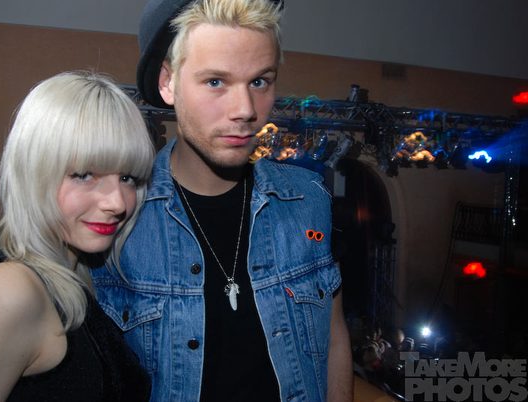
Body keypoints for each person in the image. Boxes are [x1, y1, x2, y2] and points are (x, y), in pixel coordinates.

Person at [91, 0, 353, 400]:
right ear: (168, 83)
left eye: (260, 82)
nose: (245, 110)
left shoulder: (308, 199)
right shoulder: (118, 218)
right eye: (215, 82)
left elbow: (334, 338)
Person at [0, 71, 155, 402]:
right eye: (84, 175)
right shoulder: (10, 292)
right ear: (33, 173)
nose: (117, 203)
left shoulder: (80, 265)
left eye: (128, 178)